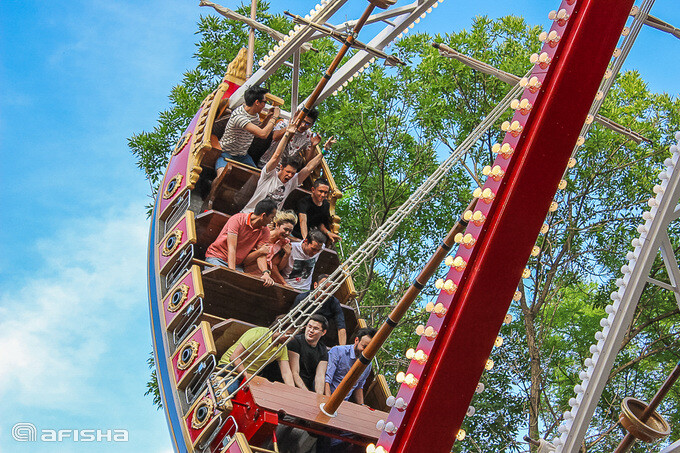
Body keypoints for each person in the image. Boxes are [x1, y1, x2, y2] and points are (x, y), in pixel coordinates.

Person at [241, 123, 324, 214]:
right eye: (287, 172)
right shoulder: (269, 175)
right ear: (281, 167)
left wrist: (324, 152)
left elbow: (308, 168)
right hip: (250, 214)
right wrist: (287, 134)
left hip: (268, 224)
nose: (290, 175)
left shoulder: (291, 182)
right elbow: (276, 156)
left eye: (293, 173)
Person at [215, 315, 296, 394]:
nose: (292, 338)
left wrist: (293, 392)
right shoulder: (258, 334)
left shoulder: (282, 347)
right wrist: (246, 376)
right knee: (231, 389)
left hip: (249, 377)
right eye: (289, 334)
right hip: (229, 368)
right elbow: (234, 357)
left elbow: (286, 373)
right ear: (280, 329)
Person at [204, 198, 276, 286]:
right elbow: (232, 247)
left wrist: (265, 273)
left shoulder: (265, 231)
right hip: (217, 257)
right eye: (271, 218)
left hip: (237, 265)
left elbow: (261, 254)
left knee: (240, 287)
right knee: (218, 282)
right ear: (263, 215)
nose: (272, 222)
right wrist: (232, 272)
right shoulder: (238, 219)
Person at [216, 86, 280, 171]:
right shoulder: (239, 117)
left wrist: (268, 118)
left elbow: (256, 131)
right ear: (257, 102)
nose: (265, 105)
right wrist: (275, 117)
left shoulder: (255, 115)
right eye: (264, 102)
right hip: (226, 153)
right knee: (222, 175)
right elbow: (263, 134)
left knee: (256, 179)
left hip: (243, 156)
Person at [243, 210, 297, 285]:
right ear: (277, 225)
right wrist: (260, 251)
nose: (287, 233)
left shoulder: (284, 243)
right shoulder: (263, 235)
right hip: (250, 270)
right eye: (285, 229)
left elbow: (276, 266)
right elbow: (245, 261)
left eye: (290, 231)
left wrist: (287, 255)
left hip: (268, 275)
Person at [324, 327, 377, 404]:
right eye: (364, 347)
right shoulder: (338, 351)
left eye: (370, 349)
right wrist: (328, 400)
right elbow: (327, 379)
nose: (366, 352)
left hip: (343, 402)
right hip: (326, 395)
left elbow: (359, 386)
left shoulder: (368, 365)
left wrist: (361, 405)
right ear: (356, 340)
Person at [291, 274, 346, 345]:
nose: (325, 292)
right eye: (323, 288)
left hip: (319, 339)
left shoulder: (334, 303)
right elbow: (292, 318)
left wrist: (342, 348)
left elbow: (341, 327)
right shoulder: (303, 298)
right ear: (315, 285)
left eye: (329, 290)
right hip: (300, 334)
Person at [288, 314, 329, 394]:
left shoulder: (322, 349)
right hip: (292, 385)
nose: (311, 330)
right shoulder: (295, 342)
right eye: (309, 326)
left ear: (323, 332)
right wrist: (306, 394)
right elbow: (294, 372)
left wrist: (318, 395)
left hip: (308, 388)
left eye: (316, 328)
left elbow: (320, 376)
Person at [292, 178, 341, 243]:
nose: (323, 195)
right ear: (313, 190)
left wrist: (328, 233)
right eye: (320, 191)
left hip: (311, 236)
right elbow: (302, 221)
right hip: (295, 233)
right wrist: (306, 240)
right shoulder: (304, 202)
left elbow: (320, 224)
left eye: (325, 192)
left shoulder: (326, 205)